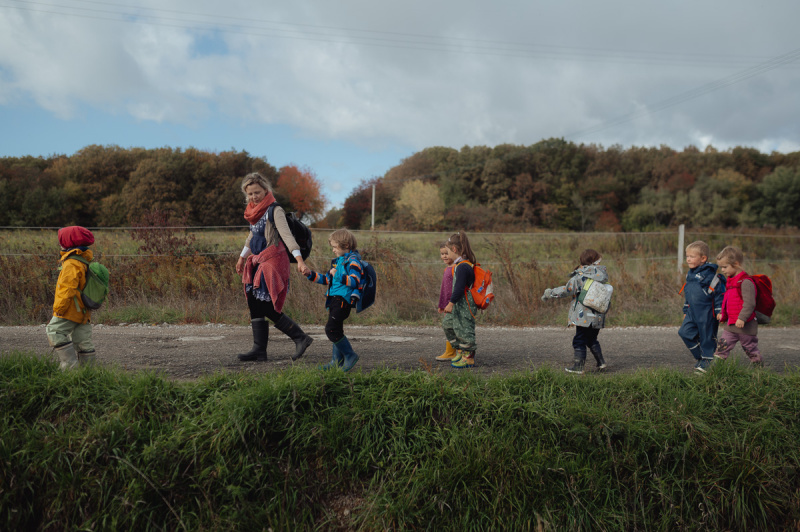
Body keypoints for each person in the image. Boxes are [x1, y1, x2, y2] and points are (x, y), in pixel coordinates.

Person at [234, 172, 313, 362]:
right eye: (250, 193)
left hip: (273, 262)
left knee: (266, 305)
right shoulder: (253, 210)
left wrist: (300, 260)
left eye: (257, 192)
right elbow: (252, 235)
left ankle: (300, 337)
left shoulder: (274, 210)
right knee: (254, 302)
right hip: (258, 261)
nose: (254, 196)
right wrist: (242, 257)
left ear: (265, 190)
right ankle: (259, 350)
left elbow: (287, 236)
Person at [302, 229, 364, 372]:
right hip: (334, 300)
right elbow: (327, 279)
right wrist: (310, 274)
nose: (333, 250)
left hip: (343, 300)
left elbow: (355, 281)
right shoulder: (337, 262)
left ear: (346, 245)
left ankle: (350, 355)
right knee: (337, 330)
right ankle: (336, 361)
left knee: (331, 329)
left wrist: (338, 276)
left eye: (335, 247)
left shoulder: (353, 262)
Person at [541, 249, 609, 374]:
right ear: (596, 262)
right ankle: (601, 362)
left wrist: (550, 293)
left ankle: (579, 367)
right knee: (592, 340)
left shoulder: (581, 277)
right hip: (598, 316)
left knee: (579, 340)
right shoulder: (602, 276)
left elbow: (566, 290)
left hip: (584, 317)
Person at [46, 226, 98, 370]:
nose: (60, 243)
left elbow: (67, 288)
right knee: (83, 340)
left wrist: (59, 308)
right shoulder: (83, 260)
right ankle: (89, 372)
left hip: (70, 309)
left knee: (54, 331)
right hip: (83, 310)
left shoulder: (71, 263)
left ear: (70, 242)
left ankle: (70, 368)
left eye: (62, 240)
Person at [678, 240, 726, 373]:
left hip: (707, 313)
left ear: (703, 258)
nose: (688, 259)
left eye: (692, 256)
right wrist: (686, 309)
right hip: (692, 312)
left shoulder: (710, 275)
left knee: (707, 337)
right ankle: (701, 357)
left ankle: (707, 361)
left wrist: (719, 310)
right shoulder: (690, 274)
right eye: (687, 256)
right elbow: (688, 293)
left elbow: (719, 294)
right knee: (684, 332)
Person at [713, 246, 763, 365]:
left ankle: (758, 368)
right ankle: (716, 369)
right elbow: (727, 300)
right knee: (722, 347)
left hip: (745, 326)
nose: (722, 270)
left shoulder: (746, 282)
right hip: (731, 325)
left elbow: (749, 303)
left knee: (750, 349)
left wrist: (742, 318)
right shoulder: (730, 281)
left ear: (736, 264)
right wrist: (723, 313)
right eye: (721, 267)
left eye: (725, 267)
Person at [441, 232, 478, 368]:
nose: (446, 254)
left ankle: (468, 357)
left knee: (464, 329)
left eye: (448, 251)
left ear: (454, 250)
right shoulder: (459, 265)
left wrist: (450, 303)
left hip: (465, 304)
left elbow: (459, 288)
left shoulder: (463, 266)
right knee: (448, 324)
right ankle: (460, 350)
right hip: (458, 303)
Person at [435, 242, 457, 361]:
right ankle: (450, 351)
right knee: (448, 326)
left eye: (446, 253)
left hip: (454, 304)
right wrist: (442, 304)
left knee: (452, 327)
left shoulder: (456, 268)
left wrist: (451, 303)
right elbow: (444, 289)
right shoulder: (446, 269)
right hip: (447, 305)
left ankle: (457, 351)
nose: (444, 256)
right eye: (442, 254)